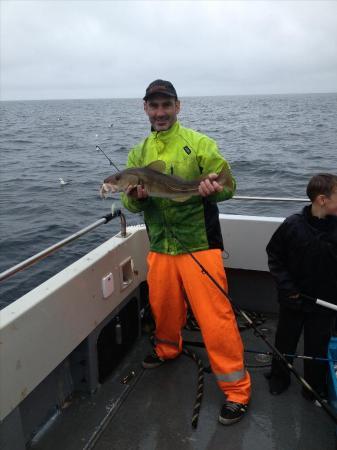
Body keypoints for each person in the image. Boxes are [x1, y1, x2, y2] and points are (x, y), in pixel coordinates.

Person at [121, 79, 251, 425]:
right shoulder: (138, 153)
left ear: (178, 106)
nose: (160, 112)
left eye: (167, 105)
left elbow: (230, 188)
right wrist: (133, 198)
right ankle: (167, 349)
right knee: (164, 308)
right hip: (161, 245)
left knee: (215, 318)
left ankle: (237, 390)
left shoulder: (199, 143)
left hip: (199, 244)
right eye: (154, 106)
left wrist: (212, 189)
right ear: (145, 108)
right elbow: (127, 204)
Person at [266, 173, 337, 399]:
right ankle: (279, 376)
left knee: (318, 344)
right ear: (322, 199)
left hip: (325, 302)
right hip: (293, 298)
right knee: (285, 339)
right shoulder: (292, 225)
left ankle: (314, 386)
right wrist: (287, 288)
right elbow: (275, 256)